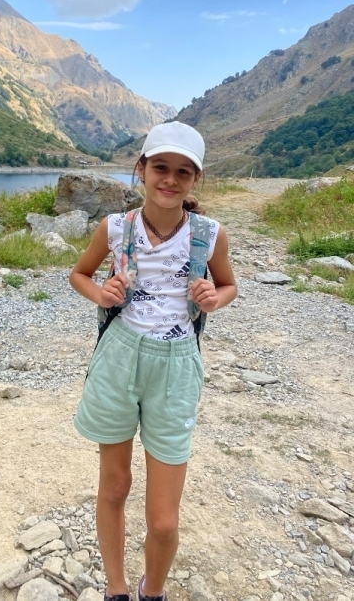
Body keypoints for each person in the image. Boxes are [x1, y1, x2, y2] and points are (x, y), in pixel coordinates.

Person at [69, 122, 237, 601]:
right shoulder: (115, 228)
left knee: (163, 520)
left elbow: (228, 285)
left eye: (184, 171)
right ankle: (117, 588)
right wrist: (102, 293)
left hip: (176, 367)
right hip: (118, 358)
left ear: (196, 178)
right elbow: (80, 274)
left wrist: (215, 297)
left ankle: (153, 591)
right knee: (114, 487)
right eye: (160, 166)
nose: (170, 179)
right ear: (140, 169)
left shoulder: (209, 235)